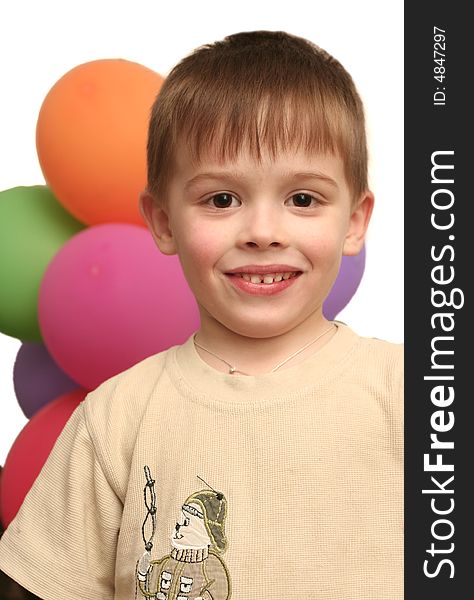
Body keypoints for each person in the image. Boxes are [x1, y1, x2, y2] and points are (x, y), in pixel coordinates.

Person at [0, 30, 403, 599]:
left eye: (303, 199)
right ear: (163, 221)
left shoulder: (415, 392)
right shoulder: (115, 418)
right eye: (221, 199)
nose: (263, 233)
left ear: (356, 220)